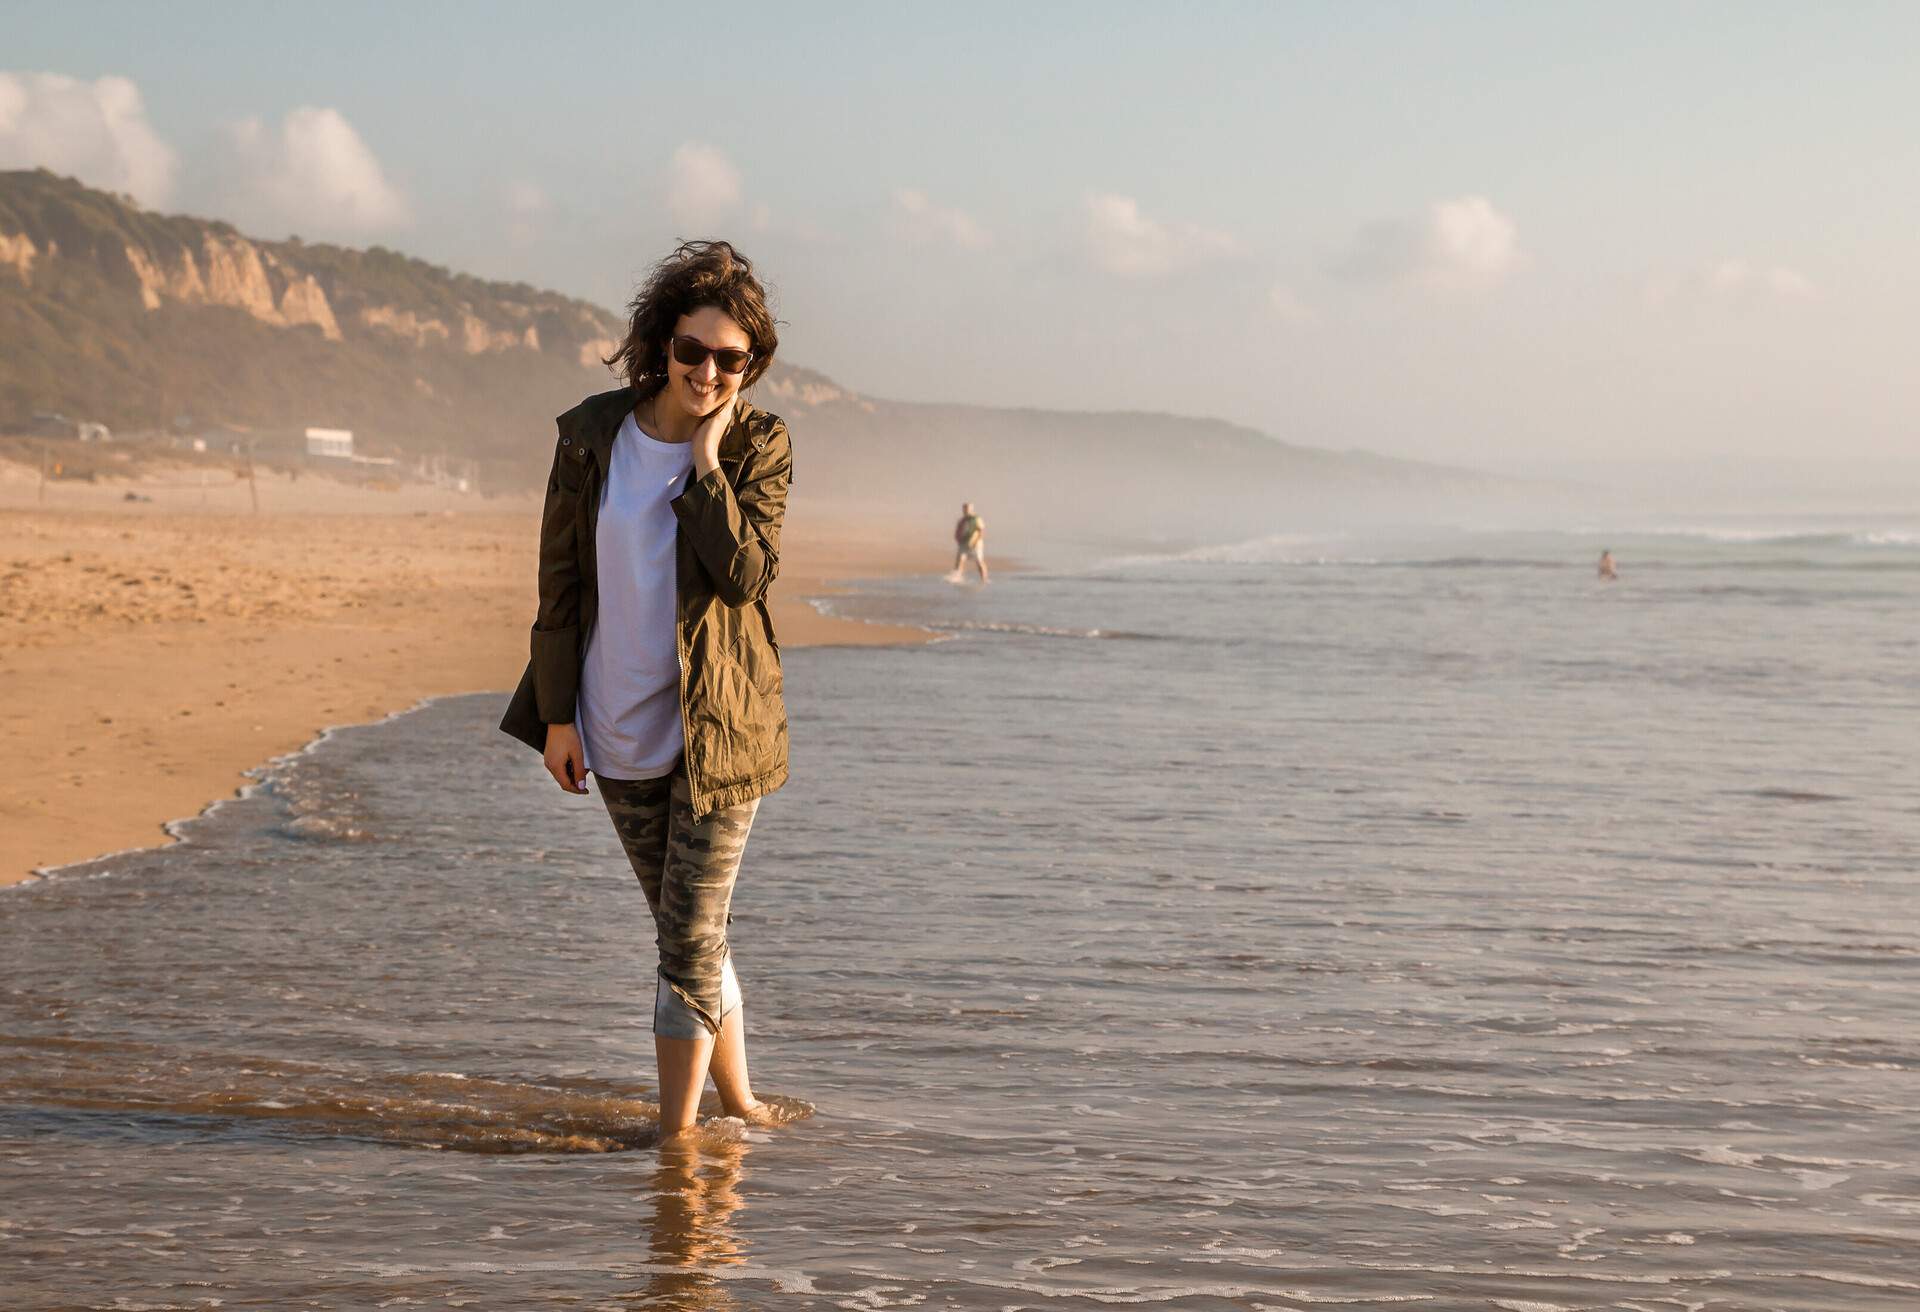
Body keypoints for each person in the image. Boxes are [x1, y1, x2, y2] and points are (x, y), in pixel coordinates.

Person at [498, 240, 793, 1143]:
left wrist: (705, 462)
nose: (708, 371)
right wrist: (556, 717)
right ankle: (739, 1101)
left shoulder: (757, 445)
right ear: (659, 345)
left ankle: (677, 1139)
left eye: (730, 359)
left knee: (686, 941)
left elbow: (745, 577)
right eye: (692, 351)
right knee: (693, 936)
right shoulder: (592, 436)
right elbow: (560, 585)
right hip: (612, 724)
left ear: (749, 366)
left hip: (719, 735)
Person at [951, 501, 989, 582]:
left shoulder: (976, 519)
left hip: (975, 544)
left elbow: (981, 531)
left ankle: (984, 579)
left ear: (971, 509)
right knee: (960, 560)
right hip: (963, 543)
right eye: (965, 508)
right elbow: (957, 530)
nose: (966, 510)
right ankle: (957, 577)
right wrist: (957, 538)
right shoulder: (962, 520)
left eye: (968, 508)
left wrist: (977, 541)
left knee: (979, 561)